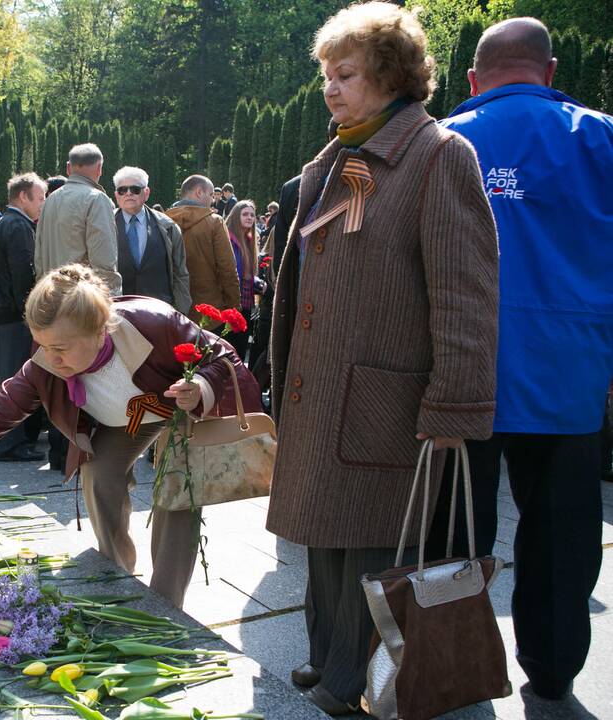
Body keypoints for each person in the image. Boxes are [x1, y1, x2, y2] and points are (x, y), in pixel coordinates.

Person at [267, 4, 499, 714]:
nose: (330, 89)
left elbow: (465, 296)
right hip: (324, 387)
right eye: (326, 76)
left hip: (385, 399)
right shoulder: (333, 157)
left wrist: (454, 405)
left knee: (371, 544)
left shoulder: (438, 154)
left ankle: (361, 680)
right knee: (322, 539)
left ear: (393, 77)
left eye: (346, 74)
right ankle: (327, 660)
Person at [0, 265, 261, 607]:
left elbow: (221, 356)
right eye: (42, 344)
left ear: (100, 330)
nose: (50, 359)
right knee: (100, 473)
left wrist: (200, 390)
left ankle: (164, 602)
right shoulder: (44, 366)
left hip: (178, 406)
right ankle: (117, 570)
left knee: (178, 488)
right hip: (122, 422)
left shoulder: (151, 322)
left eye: (61, 348)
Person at [425, 17, 613, 702]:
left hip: (455, 375)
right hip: (570, 372)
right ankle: (555, 667)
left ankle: (450, 666)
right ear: (550, 71)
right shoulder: (602, 138)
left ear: (472, 79)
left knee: (454, 533)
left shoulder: (439, 141)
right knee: (563, 534)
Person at [0, 173, 50, 464]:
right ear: (23, 197)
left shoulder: (9, 223)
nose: (43, 203)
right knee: (15, 380)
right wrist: (34, 313)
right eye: (40, 197)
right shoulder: (18, 226)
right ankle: (10, 443)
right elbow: (24, 275)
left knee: (7, 378)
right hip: (18, 317)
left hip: (8, 315)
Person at [35, 143, 121, 293]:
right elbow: (104, 261)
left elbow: (39, 255)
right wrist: (110, 299)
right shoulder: (97, 200)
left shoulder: (50, 200)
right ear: (99, 168)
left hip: (50, 294)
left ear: (68, 168)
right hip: (82, 299)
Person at [112, 165, 191, 314]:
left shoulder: (168, 227)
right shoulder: (104, 227)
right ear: (116, 195)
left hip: (160, 313)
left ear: (146, 193)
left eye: (135, 189)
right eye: (123, 190)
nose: (128, 194)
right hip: (117, 314)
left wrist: (181, 310)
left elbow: (180, 272)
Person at [165, 175, 240, 328]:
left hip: (171, 313)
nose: (213, 200)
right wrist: (233, 307)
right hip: (209, 314)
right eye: (211, 194)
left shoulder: (162, 221)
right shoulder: (214, 222)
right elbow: (228, 269)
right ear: (199, 192)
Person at [222, 200, 263, 362]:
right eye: (245, 214)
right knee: (231, 347)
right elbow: (232, 272)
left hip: (246, 299)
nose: (250, 217)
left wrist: (257, 283)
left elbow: (247, 273)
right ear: (235, 216)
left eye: (252, 215)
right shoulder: (229, 239)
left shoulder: (249, 238)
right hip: (233, 300)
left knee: (239, 347)